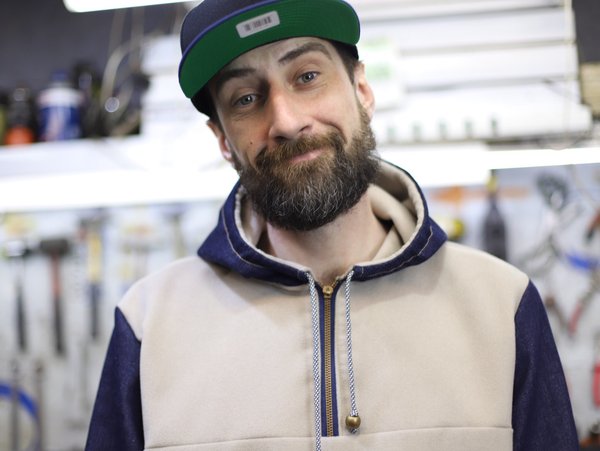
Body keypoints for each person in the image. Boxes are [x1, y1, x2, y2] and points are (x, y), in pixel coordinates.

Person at [85, 0, 579, 450]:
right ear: (222, 140)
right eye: (246, 99)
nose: (286, 120)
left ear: (362, 90)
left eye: (307, 76)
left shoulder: (501, 307)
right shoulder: (149, 327)